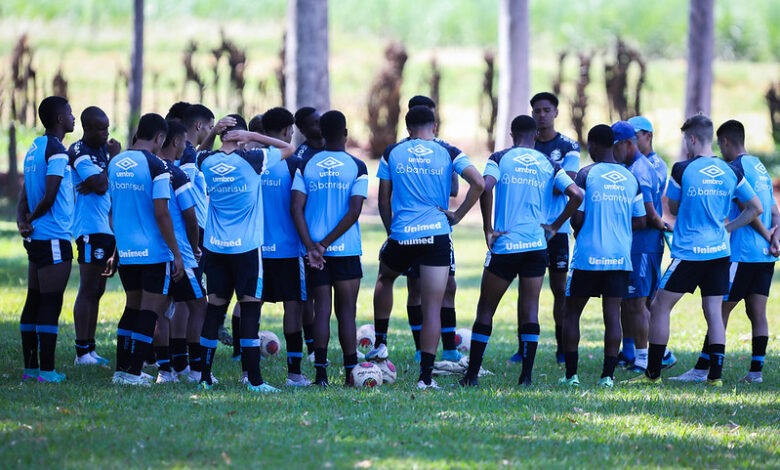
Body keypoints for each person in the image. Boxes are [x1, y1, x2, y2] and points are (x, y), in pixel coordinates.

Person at [625, 115, 763, 387]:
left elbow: (672, 208)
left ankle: (652, 374)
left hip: (689, 253)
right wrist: (728, 227)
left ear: (691, 138)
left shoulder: (681, 169)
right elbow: (755, 208)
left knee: (659, 305)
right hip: (720, 253)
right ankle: (715, 378)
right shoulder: (732, 171)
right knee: (713, 312)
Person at [459, 115, 582, 387]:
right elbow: (577, 194)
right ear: (536, 135)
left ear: (511, 133)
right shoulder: (549, 163)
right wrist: (554, 226)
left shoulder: (500, 158)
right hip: (536, 246)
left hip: (505, 245)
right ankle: (526, 377)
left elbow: (486, 187)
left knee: (486, 310)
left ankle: (471, 376)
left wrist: (488, 228)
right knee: (530, 311)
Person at [368, 105, 484, 389]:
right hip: (436, 235)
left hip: (402, 235)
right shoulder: (449, 151)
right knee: (433, 307)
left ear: (407, 129)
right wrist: (458, 215)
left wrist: (390, 231)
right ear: (434, 125)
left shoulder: (392, 152)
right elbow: (479, 183)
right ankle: (426, 378)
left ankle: (381, 342)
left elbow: (383, 199)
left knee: (385, 278)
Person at [671, 119, 780, 384]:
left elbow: (752, 209)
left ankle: (701, 369)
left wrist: (730, 228)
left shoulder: (735, 168)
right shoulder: (759, 166)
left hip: (742, 253)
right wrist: (775, 236)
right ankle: (755, 373)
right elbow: (773, 210)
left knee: (718, 312)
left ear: (726, 142)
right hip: (765, 256)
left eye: (721, 144)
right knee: (757, 313)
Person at [197, 114, 294, 392]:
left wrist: (213, 131)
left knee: (214, 312)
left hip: (215, 249)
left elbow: (193, 156)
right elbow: (288, 148)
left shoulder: (207, 162)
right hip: (247, 250)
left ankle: (204, 377)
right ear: (241, 136)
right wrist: (253, 137)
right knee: (250, 311)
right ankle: (254, 381)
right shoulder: (253, 160)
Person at [560, 124, 647, 388]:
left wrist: (579, 227)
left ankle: (571, 376)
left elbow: (579, 217)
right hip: (619, 257)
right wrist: (618, 228)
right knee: (612, 315)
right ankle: (607, 377)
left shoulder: (586, 174)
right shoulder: (631, 178)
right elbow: (641, 220)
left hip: (588, 256)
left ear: (594, 145)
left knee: (572, 313)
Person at [107, 113, 186, 387]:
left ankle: (122, 370)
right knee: (150, 311)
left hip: (127, 251)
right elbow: (162, 213)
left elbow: (112, 212)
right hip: (153, 252)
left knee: (132, 307)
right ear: (160, 138)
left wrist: (117, 250)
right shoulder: (157, 166)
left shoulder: (115, 163)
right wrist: (177, 253)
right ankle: (133, 373)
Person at [291, 110, 368, 387]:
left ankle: (321, 375)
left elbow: (295, 208)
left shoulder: (306, 164)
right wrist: (326, 244)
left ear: (321, 133)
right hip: (345, 250)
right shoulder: (357, 166)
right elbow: (355, 211)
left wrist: (313, 246)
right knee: (346, 312)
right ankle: (350, 374)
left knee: (321, 309)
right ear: (345, 134)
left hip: (314, 254)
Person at [516, 92, 580, 365]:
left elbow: (570, 182)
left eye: (546, 110)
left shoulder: (568, 146)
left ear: (556, 113)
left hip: (556, 230)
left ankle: (562, 348)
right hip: (527, 229)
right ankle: (522, 348)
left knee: (558, 288)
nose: (541, 115)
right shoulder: (523, 147)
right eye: (537, 111)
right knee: (526, 289)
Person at [16, 96, 76, 383]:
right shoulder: (57, 150)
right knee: (50, 303)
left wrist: (22, 219)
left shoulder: (33, 147)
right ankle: (48, 371)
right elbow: (49, 196)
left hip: (37, 237)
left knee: (34, 300)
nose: (74, 117)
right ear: (60, 119)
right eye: (70, 113)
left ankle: (31, 369)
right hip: (53, 235)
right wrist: (29, 219)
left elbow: (24, 192)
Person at [400, 95, 462, 363]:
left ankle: (449, 348)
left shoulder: (446, 151)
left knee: (448, 286)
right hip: (409, 230)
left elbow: (456, 189)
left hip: (438, 230)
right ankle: (419, 348)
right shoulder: (398, 150)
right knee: (415, 288)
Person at [612, 121, 671, 373]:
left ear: (627, 143)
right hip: (637, 245)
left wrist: (663, 225)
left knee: (639, 303)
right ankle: (638, 354)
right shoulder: (634, 166)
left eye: (614, 146)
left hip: (644, 245)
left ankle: (650, 358)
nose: (612, 153)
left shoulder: (640, 169)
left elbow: (649, 214)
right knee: (632, 300)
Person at [260, 107, 312, 387]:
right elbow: (299, 207)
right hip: (289, 249)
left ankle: (247, 372)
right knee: (293, 308)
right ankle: (294, 374)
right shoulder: (292, 165)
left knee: (249, 307)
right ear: (285, 132)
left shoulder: (252, 161)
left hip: (255, 250)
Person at [151, 121, 205, 383]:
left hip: (155, 254)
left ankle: (165, 372)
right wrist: (194, 247)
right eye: (184, 142)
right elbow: (190, 217)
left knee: (161, 311)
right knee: (199, 307)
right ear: (175, 142)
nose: (186, 146)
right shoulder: (176, 174)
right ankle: (195, 372)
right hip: (180, 253)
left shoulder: (148, 169)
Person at [68, 106, 121, 366]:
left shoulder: (101, 150)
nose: (106, 133)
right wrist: (111, 160)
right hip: (89, 228)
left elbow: (101, 184)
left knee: (98, 289)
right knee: (88, 288)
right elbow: (100, 186)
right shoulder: (79, 151)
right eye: (101, 128)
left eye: (108, 127)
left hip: (106, 228)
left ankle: (90, 349)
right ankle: (81, 352)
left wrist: (103, 170)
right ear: (86, 128)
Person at [293, 106, 324, 358]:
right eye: (314, 123)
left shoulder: (330, 147)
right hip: (307, 235)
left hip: (328, 235)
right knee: (309, 294)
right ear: (303, 130)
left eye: (320, 119)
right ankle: (312, 344)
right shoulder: (302, 156)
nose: (320, 124)